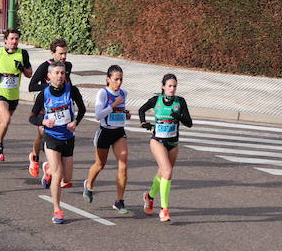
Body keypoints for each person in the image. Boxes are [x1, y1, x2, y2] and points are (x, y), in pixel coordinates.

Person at [29, 62, 86, 224]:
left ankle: (47, 170)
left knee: (67, 179)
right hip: (51, 136)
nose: (60, 76)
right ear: (49, 76)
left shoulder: (72, 90)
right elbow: (32, 117)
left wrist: (76, 122)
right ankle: (57, 210)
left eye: (62, 73)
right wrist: (44, 121)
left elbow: (81, 110)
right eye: (57, 73)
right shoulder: (44, 94)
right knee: (58, 174)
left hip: (68, 137)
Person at [138, 73, 193, 223]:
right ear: (163, 87)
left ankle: (149, 197)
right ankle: (164, 210)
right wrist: (144, 123)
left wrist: (179, 116)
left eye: (174, 86)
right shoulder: (157, 100)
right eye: (169, 86)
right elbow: (141, 110)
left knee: (163, 174)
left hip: (173, 144)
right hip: (158, 141)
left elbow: (189, 123)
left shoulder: (180, 101)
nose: (172, 89)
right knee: (168, 171)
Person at [83, 65, 131, 213]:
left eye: (121, 79)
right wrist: (113, 105)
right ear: (108, 79)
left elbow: (121, 111)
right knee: (100, 164)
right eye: (116, 79)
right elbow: (98, 115)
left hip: (118, 133)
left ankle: (119, 201)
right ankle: (89, 185)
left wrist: (125, 114)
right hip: (104, 133)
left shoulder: (124, 93)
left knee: (123, 165)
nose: (119, 82)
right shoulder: (103, 93)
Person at [0, 28, 33, 162]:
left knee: (1, 121)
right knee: (6, 119)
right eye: (11, 39)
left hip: (13, 95)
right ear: (5, 40)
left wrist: (22, 68)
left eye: (16, 39)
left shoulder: (23, 54)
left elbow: (29, 74)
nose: (14, 41)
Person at [27, 39, 72, 177]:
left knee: (52, 136)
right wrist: (49, 87)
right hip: (44, 106)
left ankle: (50, 168)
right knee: (42, 134)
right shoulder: (44, 67)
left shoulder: (68, 66)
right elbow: (31, 86)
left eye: (65, 53)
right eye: (60, 54)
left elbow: (68, 82)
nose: (64, 57)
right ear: (53, 53)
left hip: (59, 107)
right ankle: (34, 157)